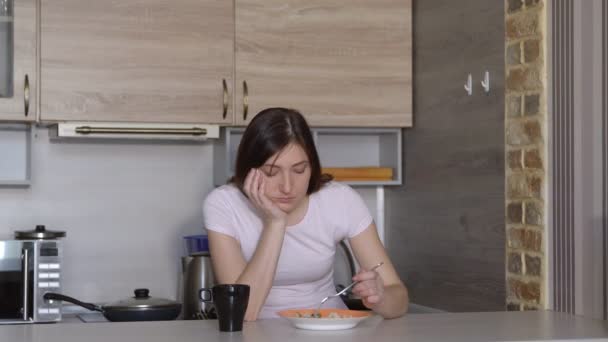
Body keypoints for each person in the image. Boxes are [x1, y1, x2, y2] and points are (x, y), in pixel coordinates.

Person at [203, 107, 408, 320]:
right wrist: (275, 224)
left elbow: (399, 298)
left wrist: (381, 296)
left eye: (299, 170)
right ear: (249, 170)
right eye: (271, 172)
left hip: (329, 330)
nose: (287, 187)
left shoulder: (340, 199)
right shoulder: (223, 204)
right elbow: (242, 313)